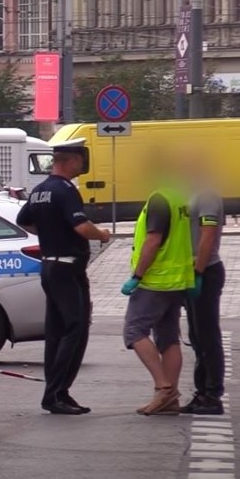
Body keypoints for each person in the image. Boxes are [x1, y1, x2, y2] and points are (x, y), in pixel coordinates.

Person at [16, 138, 111, 415]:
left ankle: (57, 392)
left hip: (50, 266)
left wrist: (50, 232)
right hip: (68, 268)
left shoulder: (40, 190)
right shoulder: (66, 190)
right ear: (69, 161)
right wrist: (102, 234)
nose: (82, 164)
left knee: (57, 331)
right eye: (80, 160)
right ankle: (56, 393)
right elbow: (82, 227)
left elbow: (25, 221)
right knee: (75, 329)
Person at [120, 155, 194, 416]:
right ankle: (169, 399)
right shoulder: (180, 199)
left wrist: (137, 276)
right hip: (177, 281)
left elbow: (153, 241)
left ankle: (164, 387)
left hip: (155, 280)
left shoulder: (159, 199)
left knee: (134, 331)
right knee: (168, 337)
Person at [180, 163, 226, 415]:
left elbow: (208, 235)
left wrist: (198, 271)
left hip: (206, 271)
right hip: (194, 271)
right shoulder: (191, 194)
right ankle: (201, 392)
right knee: (197, 336)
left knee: (208, 336)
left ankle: (212, 395)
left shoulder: (206, 195)